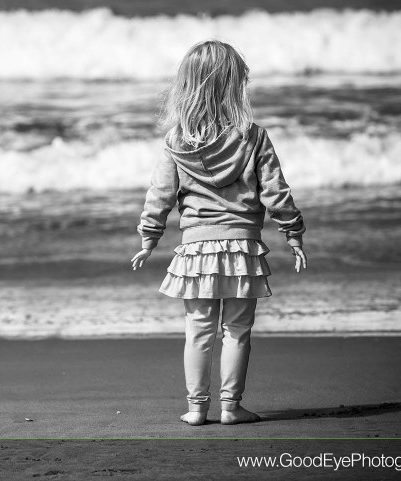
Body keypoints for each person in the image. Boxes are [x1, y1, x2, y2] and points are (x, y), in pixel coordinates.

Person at [131, 40, 306, 426]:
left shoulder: (176, 141)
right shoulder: (253, 136)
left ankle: (196, 408)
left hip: (196, 250)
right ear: (234, 86)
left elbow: (158, 195)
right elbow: (276, 192)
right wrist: (293, 232)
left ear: (186, 88)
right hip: (243, 247)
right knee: (238, 331)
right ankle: (230, 407)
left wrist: (149, 237)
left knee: (198, 332)